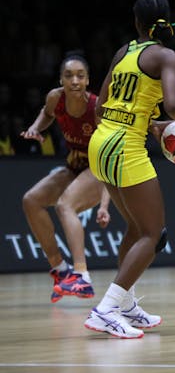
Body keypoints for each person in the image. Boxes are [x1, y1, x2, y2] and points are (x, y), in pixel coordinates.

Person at [85, 0, 175, 339]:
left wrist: (147, 125)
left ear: (136, 22)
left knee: (137, 230)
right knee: (155, 235)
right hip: (125, 146)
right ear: (166, 22)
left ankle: (124, 305)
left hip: (101, 143)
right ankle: (105, 310)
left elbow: (100, 108)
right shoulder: (166, 56)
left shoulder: (123, 52)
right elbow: (173, 104)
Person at [21, 53, 111, 303]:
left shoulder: (96, 109)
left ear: (87, 81)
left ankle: (82, 276)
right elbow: (47, 113)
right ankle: (60, 270)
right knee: (31, 200)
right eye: (69, 76)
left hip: (100, 168)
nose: (74, 81)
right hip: (74, 165)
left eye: (80, 76)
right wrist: (36, 128)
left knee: (64, 205)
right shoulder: (55, 98)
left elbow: (109, 157)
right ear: (61, 79)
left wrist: (104, 205)